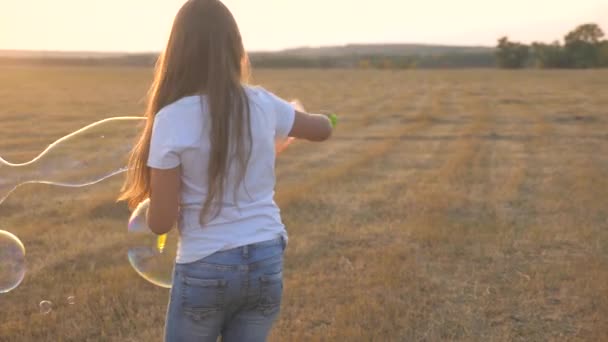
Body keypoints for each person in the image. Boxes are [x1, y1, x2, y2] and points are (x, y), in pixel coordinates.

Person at [118, 0, 333, 341]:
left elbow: (161, 222)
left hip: (206, 264)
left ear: (177, 53)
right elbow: (322, 129)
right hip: (266, 257)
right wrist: (298, 113)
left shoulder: (171, 118)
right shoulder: (262, 102)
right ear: (235, 48)